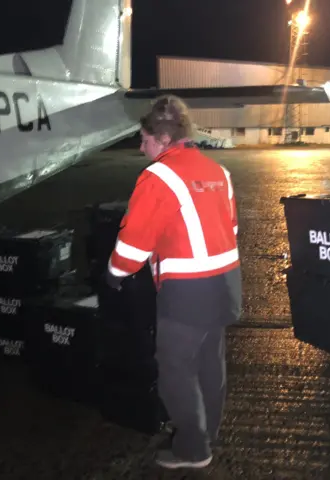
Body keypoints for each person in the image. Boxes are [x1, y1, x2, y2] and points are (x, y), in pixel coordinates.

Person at [105, 95, 242, 470]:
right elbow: (231, 228)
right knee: (211, 364)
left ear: (162, 139)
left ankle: (192, 449)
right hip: (225, 283)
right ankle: (207, 433)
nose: (141, 145)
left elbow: (133, 243)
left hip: (187, 291)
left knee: (175, 370)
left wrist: (115, 273)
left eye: (144, 138)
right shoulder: (219, 172)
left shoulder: (158, 177)